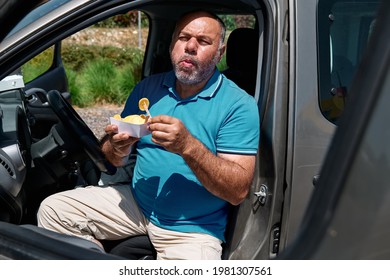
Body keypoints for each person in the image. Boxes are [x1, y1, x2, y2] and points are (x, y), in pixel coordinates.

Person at [37, 10, 260, 260]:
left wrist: (188, 146)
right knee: (53, 211)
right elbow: (112, 157)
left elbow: (237, 190)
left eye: (203, 41)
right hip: (138, 204)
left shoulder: (239, 105)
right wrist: (116, 147)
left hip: (192, 228)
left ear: (220, 52)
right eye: (183, 37)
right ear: (172, 43)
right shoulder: (148, 89)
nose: (190, 47)